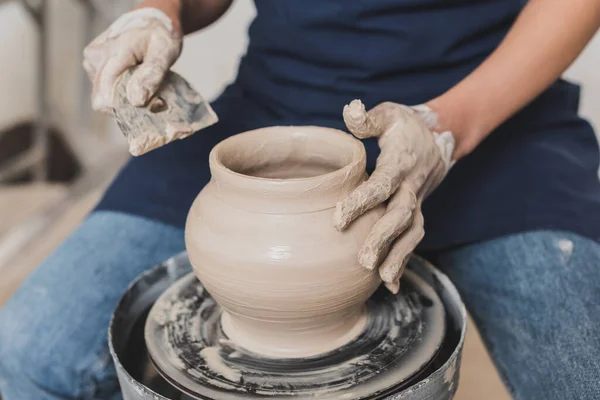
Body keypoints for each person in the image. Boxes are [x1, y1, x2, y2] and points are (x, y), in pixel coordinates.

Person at [1, 0, 600, 398]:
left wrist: (449, 129)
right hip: (281, 103)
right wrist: (159, 13)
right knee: (27, 359)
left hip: (496, 113)